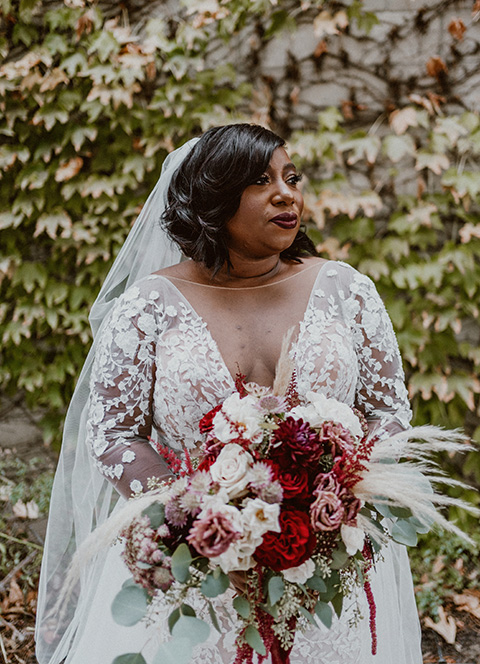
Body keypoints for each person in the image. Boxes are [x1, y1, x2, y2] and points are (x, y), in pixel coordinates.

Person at [36, 123, 423, 664]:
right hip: (194, 573)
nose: (286, 193)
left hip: (327, 561)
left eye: (291, 177)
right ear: (214, 198)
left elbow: (389, 414)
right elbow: (115, 433)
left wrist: (341, 494)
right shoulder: (150, 305)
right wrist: (199, 521)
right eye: (261, 181)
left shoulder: (347, 290)